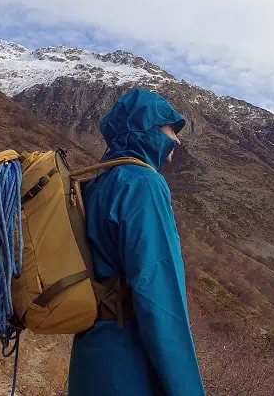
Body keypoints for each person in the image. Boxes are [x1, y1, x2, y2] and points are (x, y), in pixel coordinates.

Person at [68, 89, 205, 395]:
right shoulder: (143, 184)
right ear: (147, 128)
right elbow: (159, 295)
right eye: (171, 129)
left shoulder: (97, 183)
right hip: (129, 365)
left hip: (91, 357)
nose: (177, 140)